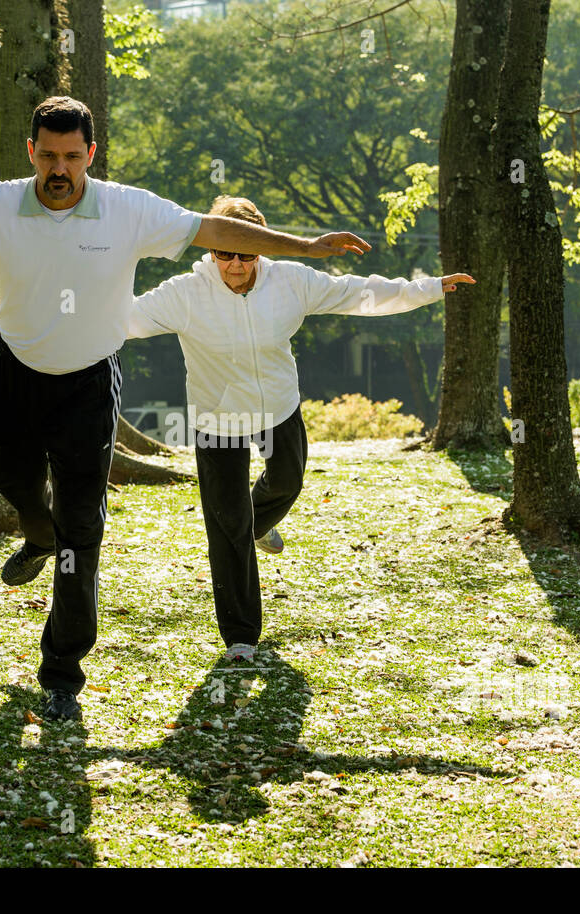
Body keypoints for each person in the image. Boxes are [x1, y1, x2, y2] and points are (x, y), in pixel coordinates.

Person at [0, 98, 371, 721]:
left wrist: (306, 246)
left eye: (72, 156)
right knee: (8, 478)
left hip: (89, 384)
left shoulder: (127, 208)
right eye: (48, 155)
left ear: (89, 156)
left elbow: (216, 232)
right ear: (31, 153)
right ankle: (35, 529)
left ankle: (61, 675)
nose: (60, 168)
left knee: (84, 529)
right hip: (17, 371)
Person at [125, 195, 474, 662]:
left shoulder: (290, 281)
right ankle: (241, 636)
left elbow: (359, 293)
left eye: (245, 254)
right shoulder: (184, 293)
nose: (233, 265)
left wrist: (428, 288)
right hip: (217, 418)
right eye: (223, 253)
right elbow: (121, 320)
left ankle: (257, 523)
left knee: (286, 483)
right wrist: (56, 316)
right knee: (227, 527)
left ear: (262, 249)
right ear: (209, 250)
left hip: (277, 408)